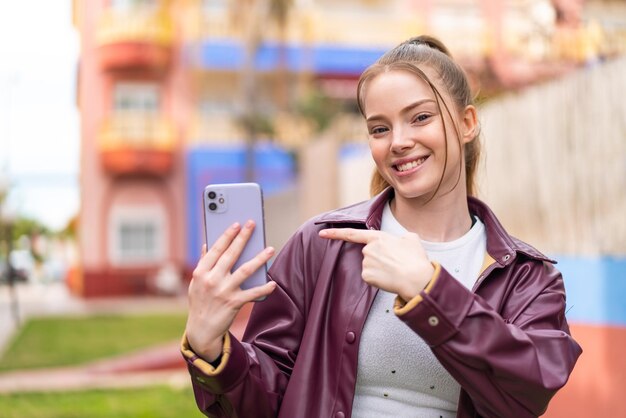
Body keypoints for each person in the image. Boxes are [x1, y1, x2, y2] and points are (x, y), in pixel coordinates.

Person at [181, 35, 582, 418]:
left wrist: (429, 290)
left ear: (467, 123)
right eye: (379, 128)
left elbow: (527, 393)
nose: (398, 141)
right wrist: (211, 350)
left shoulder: (528, 277)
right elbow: (267, 402)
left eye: (420, 117)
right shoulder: (321, 245)